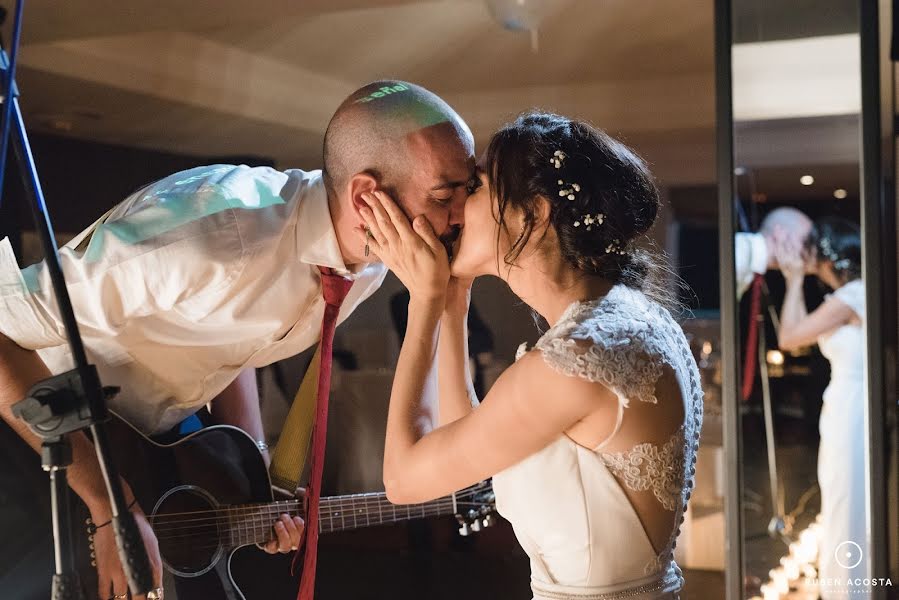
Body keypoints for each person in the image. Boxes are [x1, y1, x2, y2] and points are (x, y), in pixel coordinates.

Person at [0, 80, 476, 600]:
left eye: (467, 192)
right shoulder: (211, 236)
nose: (462, 215)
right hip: (31, 448)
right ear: (366, 197)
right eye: (443, 196)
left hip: (139, 447)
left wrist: (252, 487)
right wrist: (109, 507)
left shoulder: (368, 268)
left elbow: (238, 336)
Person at [360, 111, 703, 600]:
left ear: (533, 214)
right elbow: (472, 456)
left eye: (474, 188)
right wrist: (454, 305)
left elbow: (402, 479)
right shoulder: (631, 320)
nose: (455, 209)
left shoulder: (567, 364)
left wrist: (423, 302)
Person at [774, 217, 866, 599]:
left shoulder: (854, 296)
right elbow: (793, 340)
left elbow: (788, 336)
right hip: (844, 402)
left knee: (848, 496)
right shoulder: (847, 298)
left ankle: (851, 590)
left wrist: (794, 280)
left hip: (854, 406)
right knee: (840, 494)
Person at [735, 207, 813, 299]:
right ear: (779, 233)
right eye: (805, 241)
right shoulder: (741, 253)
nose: (809, 251)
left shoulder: (751, 260)